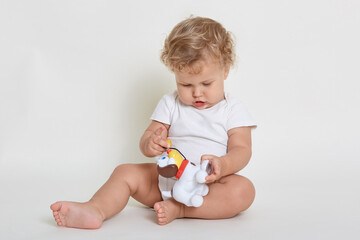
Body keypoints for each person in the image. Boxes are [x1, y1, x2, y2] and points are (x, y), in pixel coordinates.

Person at [50, 16, 257, 228]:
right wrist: (150, 143)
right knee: (124, 172)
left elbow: (242, 149)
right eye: (185, 84)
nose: (196, 93)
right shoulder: (171, 103)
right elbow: (150, 137)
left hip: (207, 187)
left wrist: (223, 165)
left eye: (206, 83)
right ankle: (96, 208)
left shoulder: (233, 109)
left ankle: (181, 208)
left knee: (244, 190)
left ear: (225, 70)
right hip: (165, 181)